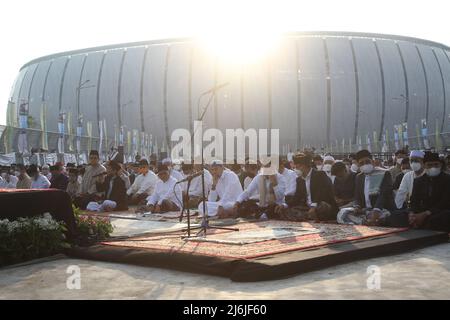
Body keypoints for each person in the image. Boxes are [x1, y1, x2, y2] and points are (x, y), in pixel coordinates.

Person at [388, 152, 450, 232]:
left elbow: (445, 202)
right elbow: (414, 201)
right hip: (420, 212)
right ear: (424, 165)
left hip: (438, 212)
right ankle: (415, 222)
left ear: (440, 165)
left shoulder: (447, 179)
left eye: (436, 165)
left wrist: (425, 214)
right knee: (395, 215)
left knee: (442, 217)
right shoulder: (419, 181)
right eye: (429, 165)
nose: (433, 168)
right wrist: (412, 214)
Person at [337, 149, 395, 226]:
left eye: (367, 162)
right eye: (361, 163)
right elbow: (357, 196)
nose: (365, 164)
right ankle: (366, 222)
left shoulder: (384, 173)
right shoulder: (359, 177)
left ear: (372, 162)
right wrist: (357, 207)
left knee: (385, 215)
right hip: (366, 211)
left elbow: (383, 195)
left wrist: (376, 210)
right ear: (358, 165)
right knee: (342, 213)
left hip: (382, 209)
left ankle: (371, 221)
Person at [283, 153, 338, 221]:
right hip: (308, 207)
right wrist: (285, 205)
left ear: (304, 165)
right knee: (288, 210)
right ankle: (308, 216)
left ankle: (308, 216)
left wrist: (314, 206)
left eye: (297, 167)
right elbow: (297, 197)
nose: (296, 169)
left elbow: (321, 193)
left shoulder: (320, 175)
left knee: (323, 206)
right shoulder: (300, 180)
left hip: (320, 205)